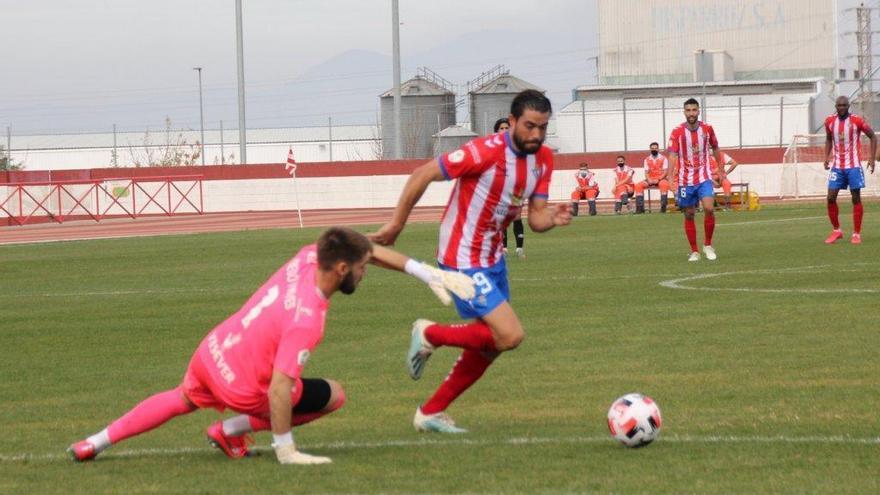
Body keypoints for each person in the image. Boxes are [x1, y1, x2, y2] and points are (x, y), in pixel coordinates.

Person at [67, 227, 475, 464]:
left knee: (180, 398)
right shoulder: (308, 318)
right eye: (363, 269)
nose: (367, 273)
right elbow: (280, 387)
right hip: (245, 386)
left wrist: (425, 274)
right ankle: (230, 431)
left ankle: (95, 442)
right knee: (333, 395)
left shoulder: (307, 257)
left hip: (215, 349)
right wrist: (286, 449)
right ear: (342, 269)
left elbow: (366, 248)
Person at [369, 90, 571, 433]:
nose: (536, 135)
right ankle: (430, 332)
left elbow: (535, 219)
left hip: (492, 258)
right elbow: (422, 174)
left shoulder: (544, 159)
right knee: (510, 334)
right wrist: (396, 224)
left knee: (493, 344)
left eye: (543, 128)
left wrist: (552, 218)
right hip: (461, 256)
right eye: (529, 126)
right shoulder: (485, 151)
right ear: (511, 122)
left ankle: (430, 412)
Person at [666, 98, 726, 261]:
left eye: (694, 110)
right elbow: (672, 155)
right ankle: (694, 251)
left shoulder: (707, 129)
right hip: (685, 180)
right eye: (688, 110)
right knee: (689, 214)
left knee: (709, 208)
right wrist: (670, 176)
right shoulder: (677, 132)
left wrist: (721, 170)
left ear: (698, 111)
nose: (691, 113)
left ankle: (707, 245)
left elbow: (716, 148)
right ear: (684, 112)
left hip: (704, 177)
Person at [822, 95, 877, 244]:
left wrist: (872, 158)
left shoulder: (857, 121)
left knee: (855, 198)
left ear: (848, 106)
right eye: (839, 105)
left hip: (853, 166)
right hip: (837, 167)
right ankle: (837, 230)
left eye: (844, 105)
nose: (841, 108)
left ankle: (856, 234)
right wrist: (826, 156)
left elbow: (873, 137)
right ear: (836, 107)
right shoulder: (829, 121)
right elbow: (828, 138)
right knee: (830, 198)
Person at [495, 118, 526, 258]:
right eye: (501, 128)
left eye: (507, 127)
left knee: (516, 215)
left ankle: (519, 247)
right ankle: (504, 248)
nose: (504, 130)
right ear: (496, 131)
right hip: (499, 186)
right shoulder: (492, 148)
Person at [634, 142, 670, 213]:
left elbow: (665, 172)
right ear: (650, 149)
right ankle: (640, 209)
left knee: (664, 185)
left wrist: (658, 179)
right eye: (652, 148)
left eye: (656, 148)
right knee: (638, 186)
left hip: (661, 178)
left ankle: (663, 208)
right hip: (650, 179)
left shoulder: (664, 158)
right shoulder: (646, 159)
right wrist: (649, 179)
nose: (654, 149)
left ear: (658, 149)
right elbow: (646, 172)